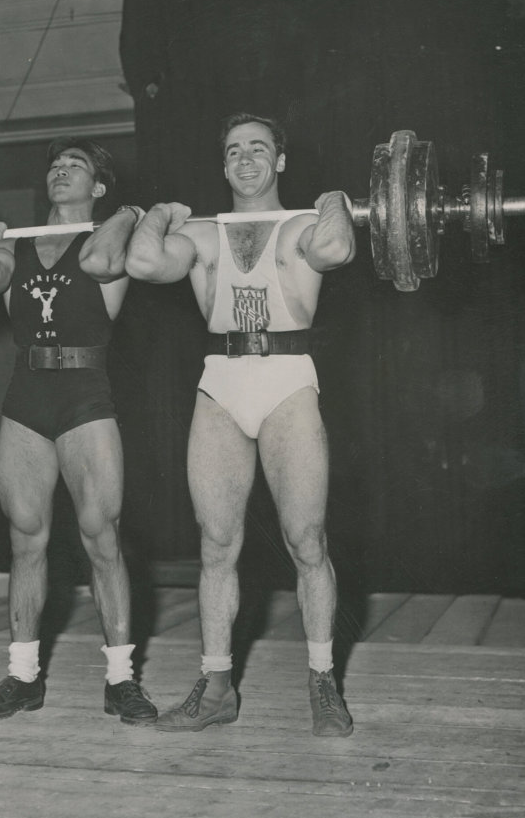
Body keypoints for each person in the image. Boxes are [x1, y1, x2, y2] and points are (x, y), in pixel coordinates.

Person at [124, 113, 357, 736]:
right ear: (223, 165)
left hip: (287, 379)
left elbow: (337, 249)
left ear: (279, 160)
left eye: (258, 149)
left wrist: (335, 201)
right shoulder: (202, 234)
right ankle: (217, 686)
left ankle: (322, 682)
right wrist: (162, 213)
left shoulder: (304, 225)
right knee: (216, 545)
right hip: (221, 383)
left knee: (306, 541)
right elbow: (143, 262)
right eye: (233, 151)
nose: (245, 160)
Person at [0, 137, 157, 726]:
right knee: (26, 537)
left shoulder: (108, 240)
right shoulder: (14, 246)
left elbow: (101, 264)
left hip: (84, 395)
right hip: (26, 396)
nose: (60, 171)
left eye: (76, 166)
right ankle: (23, 678)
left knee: (101, 537)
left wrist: (128, 212)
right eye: (55, 165)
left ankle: (121, 681)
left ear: (98, 186)